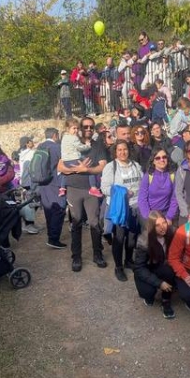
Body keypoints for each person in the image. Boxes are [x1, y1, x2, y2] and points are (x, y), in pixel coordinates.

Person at [60, 117, 109, 272]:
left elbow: (102, 166)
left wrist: (86, 170)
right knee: (76, 223)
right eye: (85, 126)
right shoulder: (72, 141)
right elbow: (60, 165)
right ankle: (76, 257)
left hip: (91, 190)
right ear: (80, 127)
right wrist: (76, 169)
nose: (88, 129)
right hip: (73, 189)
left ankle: (97, 254)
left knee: (94, 223)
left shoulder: (97, 145)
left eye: (91, 127)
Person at [101, 141, 144, 282]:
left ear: (128, 150)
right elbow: (105, 188)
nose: (122, 152)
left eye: (124, 149)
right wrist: (123, 192)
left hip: (135, 208)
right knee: (119, 239)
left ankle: (128, 260)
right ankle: (118, 267)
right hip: (120, 209)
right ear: (115, 152)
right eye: (119, 150)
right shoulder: (110, 167)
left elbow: (143, 184)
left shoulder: (136, 166)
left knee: (132, 238)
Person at [133, 211, 178, 319]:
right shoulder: (144, 240)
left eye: (164, 223)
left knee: (169, 271)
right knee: (148, 292)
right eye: (157, 225)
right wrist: (159, 283)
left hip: (161, 266)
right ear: (152, 226)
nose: (163, 227)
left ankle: (166, 301)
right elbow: (139, 267)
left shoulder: (172, 232)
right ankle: (148, 296)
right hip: (146, 269)